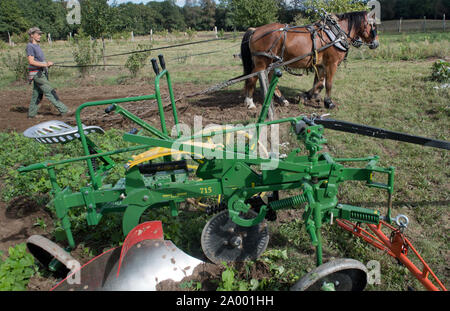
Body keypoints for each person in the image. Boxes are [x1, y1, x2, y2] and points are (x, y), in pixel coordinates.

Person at [26, 27, 69, 118]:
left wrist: (47, 63)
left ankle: (31, 114)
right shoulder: (30, 46)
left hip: (41, 72)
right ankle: (64, 110)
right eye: (38, 34)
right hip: (37, 74)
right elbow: (31, 61)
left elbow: (39, 60)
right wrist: (45, 64)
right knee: (50, 91)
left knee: (37, 94)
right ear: (31, 35)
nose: (40, 36)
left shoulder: (37, 46)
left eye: (40, 34)